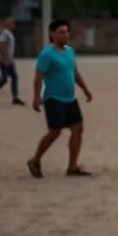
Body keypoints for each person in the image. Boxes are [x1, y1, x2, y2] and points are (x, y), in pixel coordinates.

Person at [26, 19, 93, 178]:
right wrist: (36, 97)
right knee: (55, 132)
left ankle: (72, 166)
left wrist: (85, 89)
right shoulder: (47, 54)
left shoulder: (70, 51)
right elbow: (38, 77)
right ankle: (35, 160)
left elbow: (74, 73)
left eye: (67, 32)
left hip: (70, 98)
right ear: (52, 34)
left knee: (78, 129)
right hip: (53, 98)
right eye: (61, 32)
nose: (65, 35)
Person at [0, 17, 25, 106]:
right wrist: (5, 58)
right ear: (8, 24)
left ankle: (15, 97)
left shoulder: (9, 34)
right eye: (12, 23)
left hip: (9, 59)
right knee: (4, 78)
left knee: (14, 77)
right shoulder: (5, 33)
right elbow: (2, 44)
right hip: (5, 59)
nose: (14, 25)